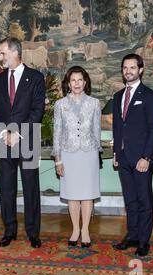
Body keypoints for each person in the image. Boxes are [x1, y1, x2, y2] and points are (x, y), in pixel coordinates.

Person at [0, 37, 45, 248]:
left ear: (14, 52)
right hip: (4, 142)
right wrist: (4, 134)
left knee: (31, 188)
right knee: (6, 188)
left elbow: (37, 111)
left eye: (2, 53)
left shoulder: (36, 78)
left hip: (27, 139)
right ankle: (9, 230)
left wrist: (17, 134)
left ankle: (33, 233)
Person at [112, 54, 153, 257]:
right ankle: (132, 236)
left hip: (141, 158)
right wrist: (116, 153)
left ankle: (143, 241)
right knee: (130, 200)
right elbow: (117, 127)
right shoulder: (117, 96)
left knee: (144, 200)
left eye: (132, 67)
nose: (128, 71)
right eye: (125, 67)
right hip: (123, 157)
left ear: (140, 70)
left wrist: (147, 157)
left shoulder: (149, 95)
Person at [52, 66, 102, 248]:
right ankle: (75, 229)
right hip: (68, 154)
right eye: (73, 80)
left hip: (89, 154)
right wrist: (58, 159)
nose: (77, 83)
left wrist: (98, 156)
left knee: (87, 195)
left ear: (85, 82)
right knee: (72, 195)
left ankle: (86, 230)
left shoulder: (95, 103)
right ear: (68, 83)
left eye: (80, 80)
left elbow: (96, 131)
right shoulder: (60, 105)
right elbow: (57, 133)